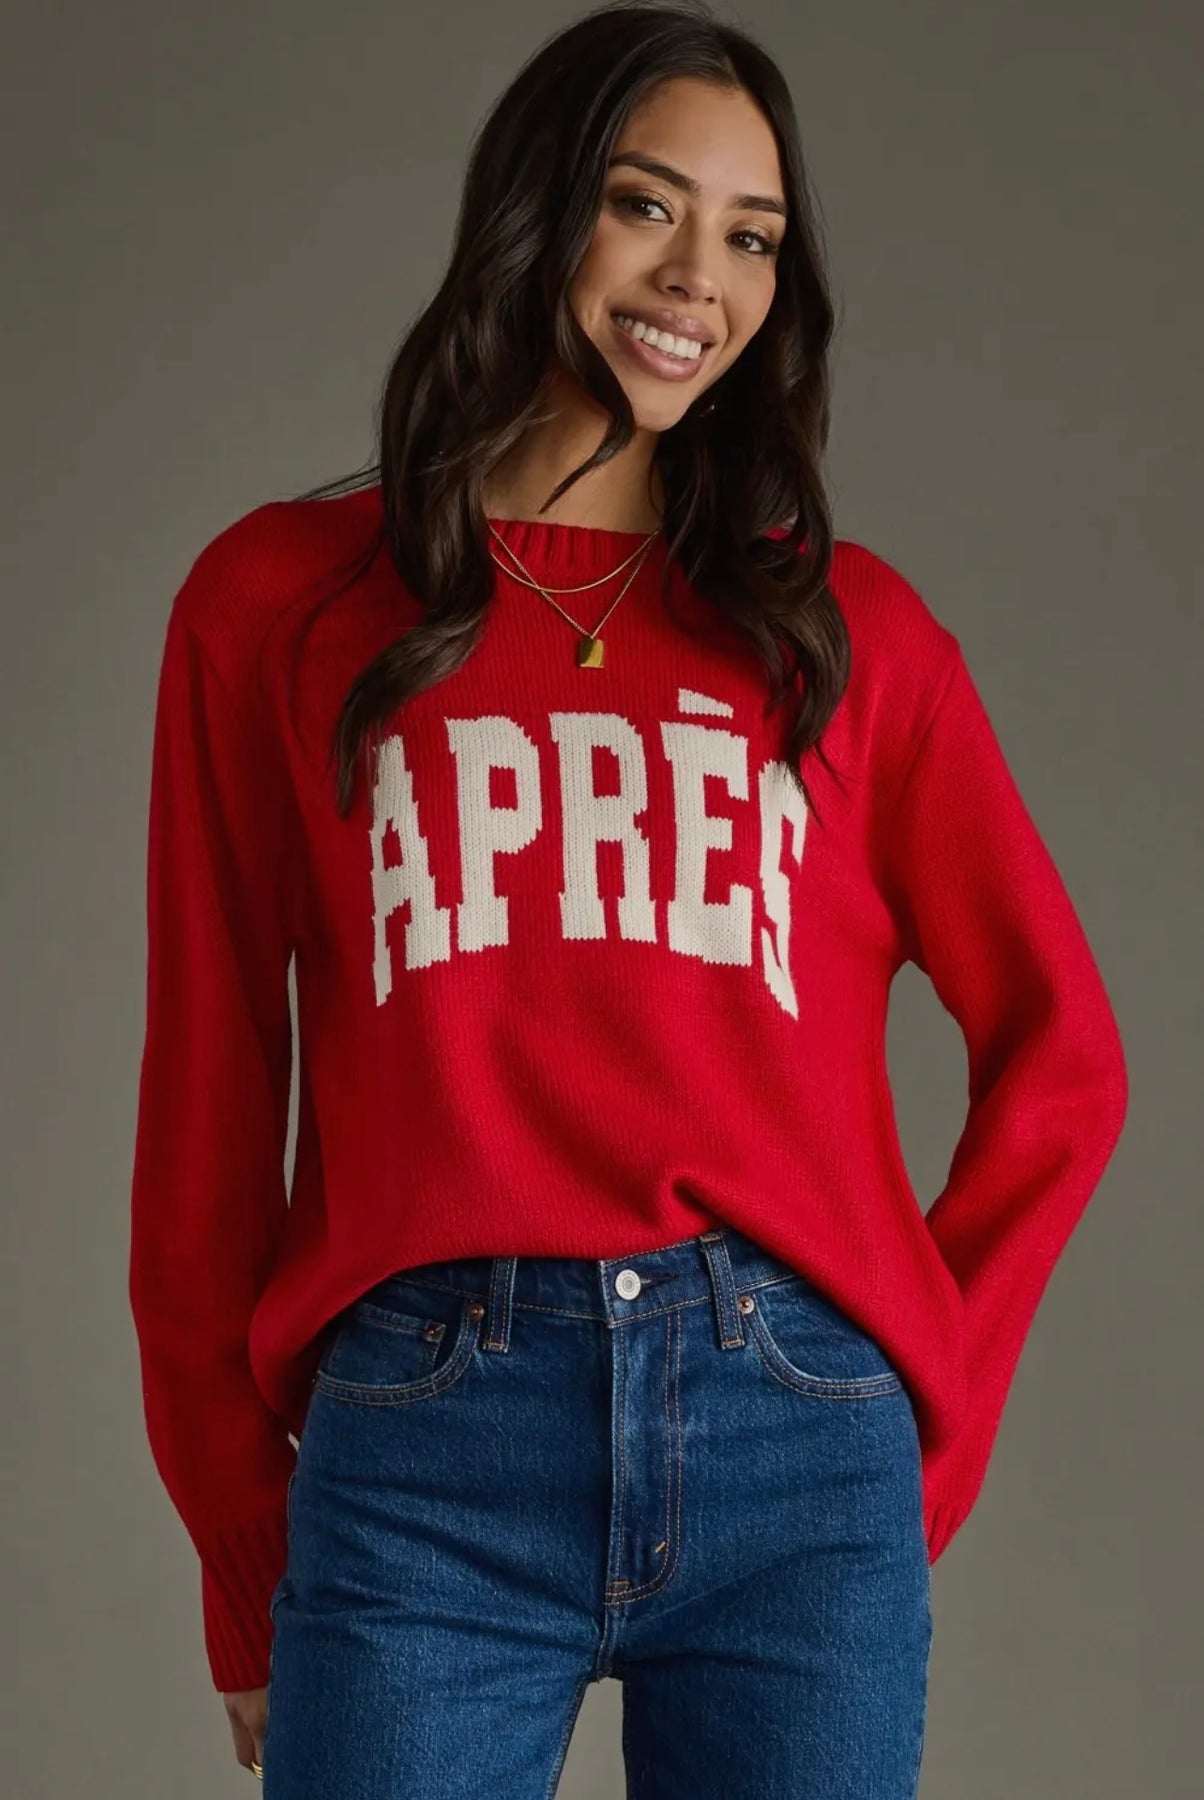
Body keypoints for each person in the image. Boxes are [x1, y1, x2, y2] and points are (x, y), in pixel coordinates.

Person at [127, 4, 1129, 1795]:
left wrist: (921, 1423)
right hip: (425, 1450)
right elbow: (209, 1099)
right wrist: (236, 1548)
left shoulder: (848, 637)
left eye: (752, 236)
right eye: (647, 204)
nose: (697, 279)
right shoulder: (279, 608)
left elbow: (1068, 1062)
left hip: (793, 1442)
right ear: (538, 207)